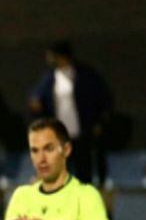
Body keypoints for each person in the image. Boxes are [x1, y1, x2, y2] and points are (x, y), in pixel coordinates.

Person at [29, 41, 113, 186]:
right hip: (60, 136)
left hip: (81, 134)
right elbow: (37, 96)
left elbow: (103, 98)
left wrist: (99, 122)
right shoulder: (50, 78)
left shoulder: (84, 75)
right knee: (62, 174)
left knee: (84, 174)